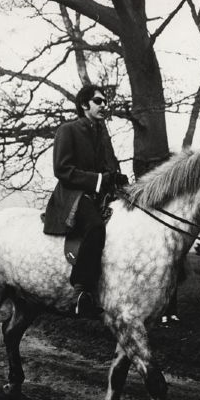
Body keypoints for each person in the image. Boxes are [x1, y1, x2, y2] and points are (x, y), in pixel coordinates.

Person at [44, 84, 128, 318]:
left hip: (96, 195)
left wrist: (114, 178)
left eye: (105, 102)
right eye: (99, 101)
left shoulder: (99, 133)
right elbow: (62, 169)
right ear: (84, 105)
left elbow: (103, 169)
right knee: (95, 226)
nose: (104, 106)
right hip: (71, 196)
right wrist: (99, 179)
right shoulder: (67, 130)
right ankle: (82, 291)